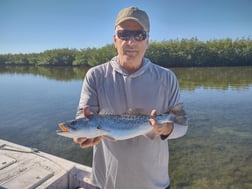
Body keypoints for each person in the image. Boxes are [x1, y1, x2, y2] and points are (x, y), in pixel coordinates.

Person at [74, 6, 188, 189]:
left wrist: (166, 128)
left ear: (147, 41)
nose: (131, 42)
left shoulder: (167, 78)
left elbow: (182, 126)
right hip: (106, 183)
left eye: (139, 35)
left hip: (155, 183)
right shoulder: (95, 75)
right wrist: (81, 134)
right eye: (124, 34)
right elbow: (83, 117)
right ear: (115, 40)